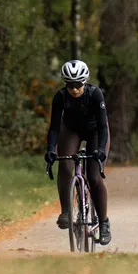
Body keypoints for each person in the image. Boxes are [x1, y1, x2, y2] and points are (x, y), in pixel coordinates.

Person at [44, 59, 111, 245]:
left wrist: (100, 150)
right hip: (71, 129)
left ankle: (104, 223)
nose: (74, 89)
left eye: (78, 85)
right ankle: (66, 212)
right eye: (70, 85)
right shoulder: (60, 97)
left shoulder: (95, 94)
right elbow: (55, 128)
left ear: (85, 82)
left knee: (94, 176)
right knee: (65, 165)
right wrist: (50, 149)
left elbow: (103, 127)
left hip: (95, 131)